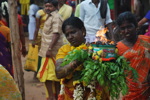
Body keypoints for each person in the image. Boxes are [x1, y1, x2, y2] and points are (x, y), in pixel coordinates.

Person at [55, 17, 109, 100]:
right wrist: (81, 58)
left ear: (83, 31)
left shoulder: (95, 48)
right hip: (71, 96)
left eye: (73, 32)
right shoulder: (64, 50)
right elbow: (59, 72)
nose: (70, 37)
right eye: (67, 35)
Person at [116, 11, 150, 99]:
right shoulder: (118, 48)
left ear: (136, 26)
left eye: (129, 26)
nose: (126, 31)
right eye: (123, 28)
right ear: (120, 31)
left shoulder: (147, 41)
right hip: (126, 92)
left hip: (146, 90)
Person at [36, 0, 65, 99]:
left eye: (50, 6)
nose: (47, 8)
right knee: (52, 76)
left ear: (56, 7)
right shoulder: (48, 16)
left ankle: (53, 96)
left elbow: (56, 34)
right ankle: (54, 96)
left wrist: (49, 49)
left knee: (49, 76)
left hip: (52, 52)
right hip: (47, 51)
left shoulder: (56, 17)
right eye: (46, 6)